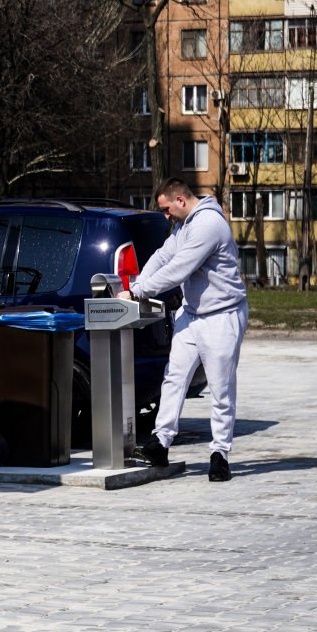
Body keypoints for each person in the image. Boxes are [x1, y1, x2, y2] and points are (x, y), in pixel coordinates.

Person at [119, 177, 248, 482]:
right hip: (191, 314)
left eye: (166, 209)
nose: (165, 216)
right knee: (174, 377)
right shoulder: (183, 226)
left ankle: (220, 454)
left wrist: (138, 293)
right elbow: (164, 256)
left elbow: (180, 268)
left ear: (180, 200)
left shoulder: (208, 225)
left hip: (222, 315)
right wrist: (136, 284)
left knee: (221, 388)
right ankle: (160, 442)